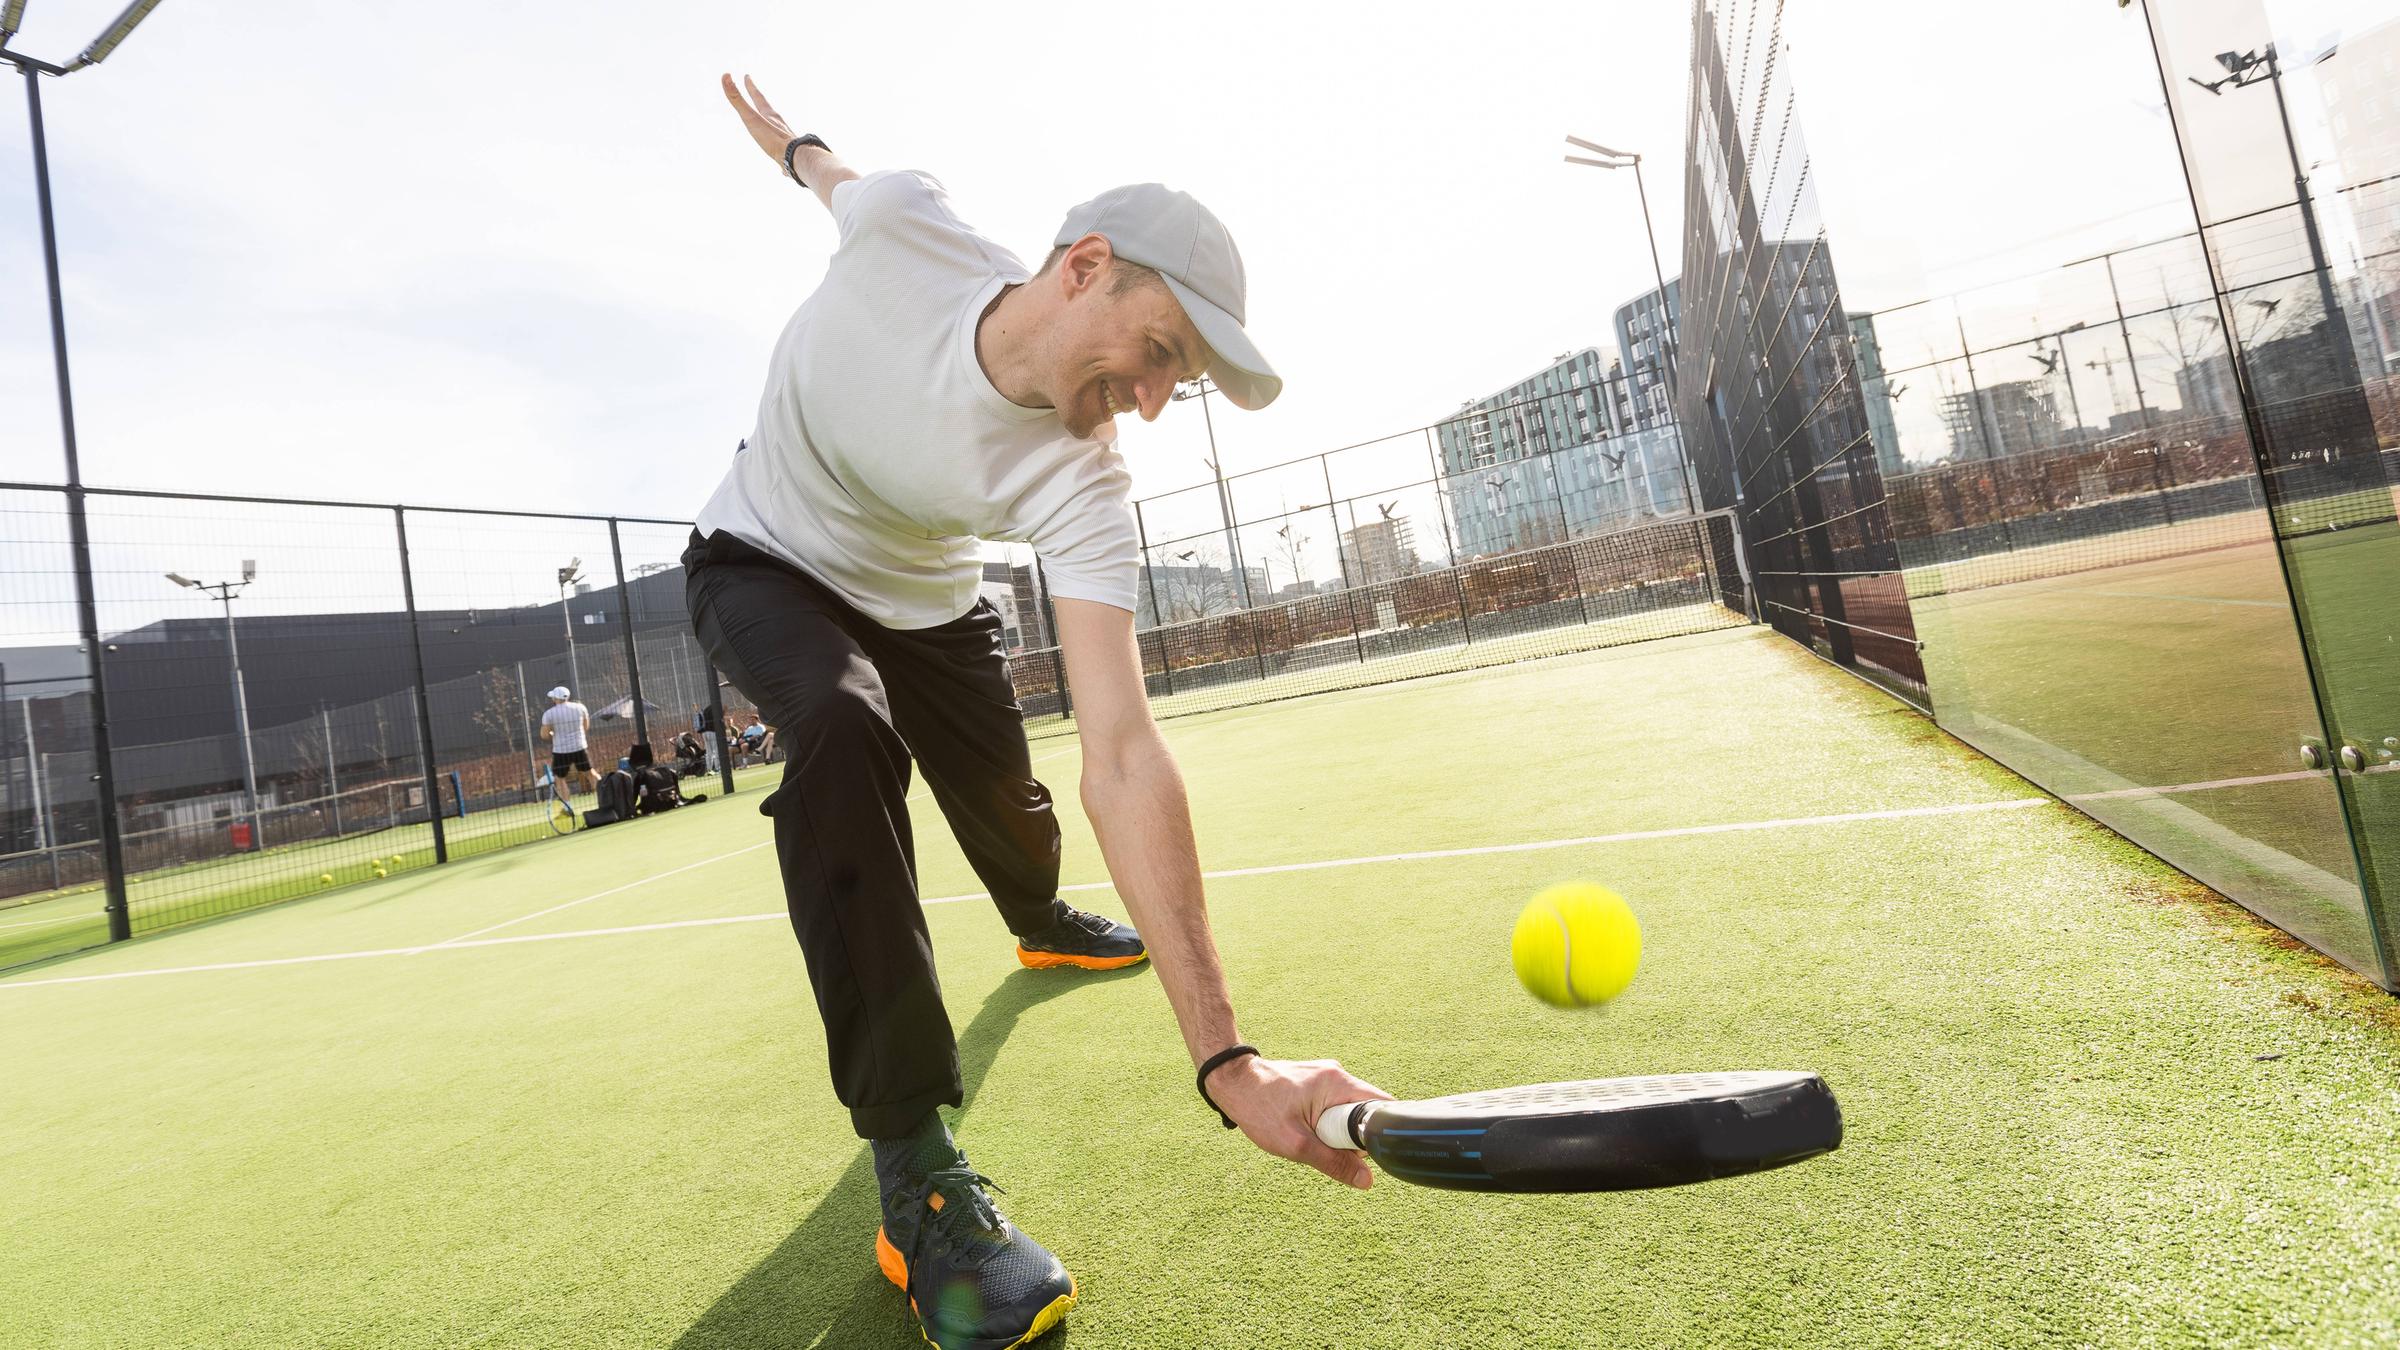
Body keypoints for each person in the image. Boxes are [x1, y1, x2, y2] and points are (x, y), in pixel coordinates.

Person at [687, 75, 1385, 1350]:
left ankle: (1039, 917)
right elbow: (836, 177)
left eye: (1180, 381)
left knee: (1013, 806)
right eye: (1160, 353)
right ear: (1085, 267)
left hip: (926, 601)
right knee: (843, 732)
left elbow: (1121, 749)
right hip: (765, 556)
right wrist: (792, 144)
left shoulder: (1085, 482)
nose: (1155, 400)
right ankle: (915, 1167)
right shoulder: (908, 225)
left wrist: (1226, 1059)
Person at [538, 686, 595, 804]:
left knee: (560, 778)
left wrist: (553, 734)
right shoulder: (581, 708)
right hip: (580, 747)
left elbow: (544, 735)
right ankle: (607, 797)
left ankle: (567, 806)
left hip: (561, 751)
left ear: (555, 698)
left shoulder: (549, 714)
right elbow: (585, 727)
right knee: (590, 773)